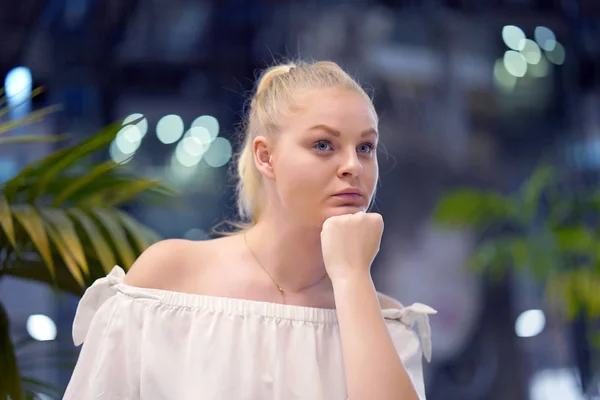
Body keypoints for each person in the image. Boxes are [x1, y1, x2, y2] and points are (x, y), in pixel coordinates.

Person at [64, 60, 436, 400]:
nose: (352, 166)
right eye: (324, 145)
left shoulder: (381, 318)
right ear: (265, 156)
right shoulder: (170, 279)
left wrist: (353, 276)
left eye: (366, 147)